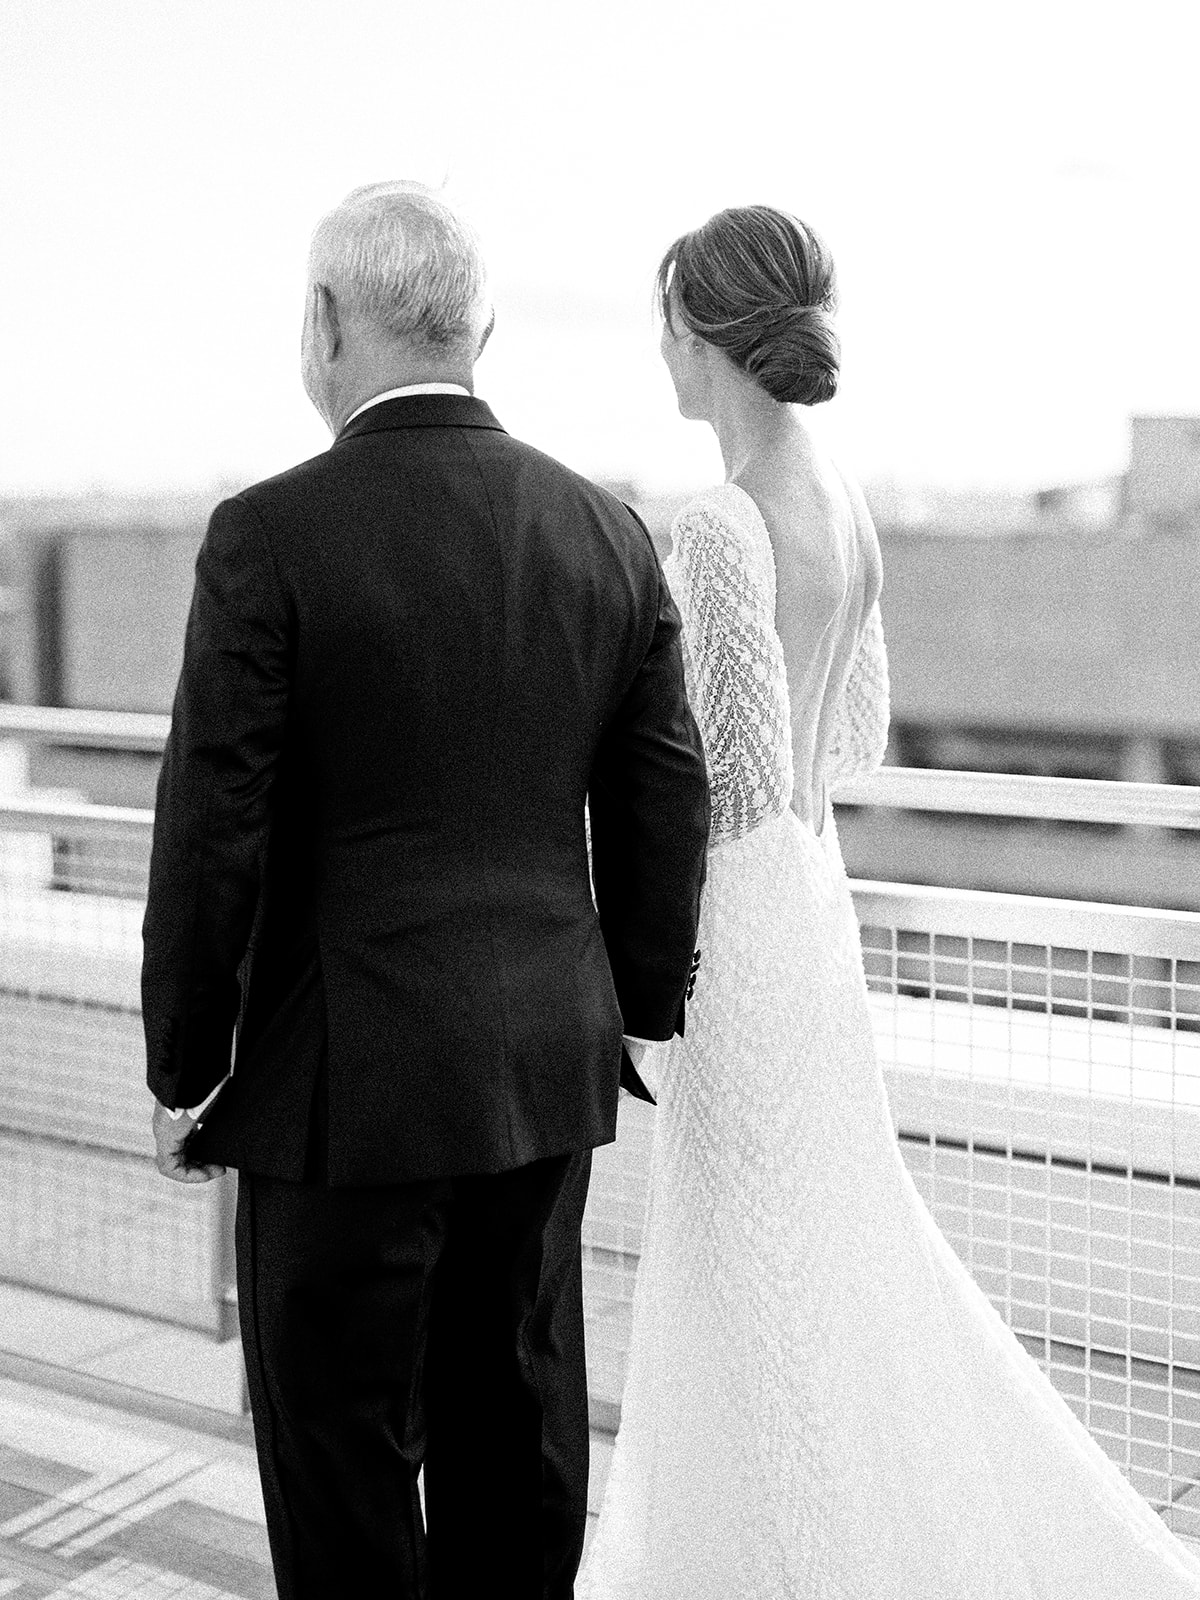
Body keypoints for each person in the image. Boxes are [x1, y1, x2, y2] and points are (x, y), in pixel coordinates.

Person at [579, 205, 1200, 1598]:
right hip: (813, 896)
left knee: (748, 1269)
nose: (660, 347)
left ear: (710, 330)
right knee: (821, 1252)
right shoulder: (840, 496)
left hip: (736, 927)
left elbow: (707, 785)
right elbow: (841, 739)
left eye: (668, 318)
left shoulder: (723, 521)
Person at [140, 180, 710, 1600]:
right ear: (481, 327)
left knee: (342, 1476)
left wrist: (184, 1060)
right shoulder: (605, 530)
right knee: (516, 1451)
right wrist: (636, 1005)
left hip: (340, 1093)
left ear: (329, 324)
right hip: (539, 1073)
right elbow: (662, 798)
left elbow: (215, 819)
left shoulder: (268, 534)